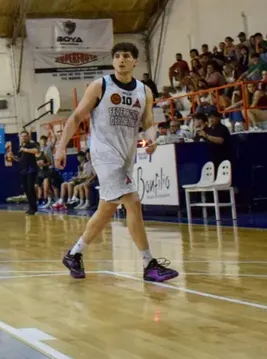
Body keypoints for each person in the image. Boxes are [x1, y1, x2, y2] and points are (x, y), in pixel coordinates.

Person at [55, 42, 180, 282]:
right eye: (117, 56)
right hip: (104, 154)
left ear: (135, 62)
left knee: (107, 209)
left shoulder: (144, 91)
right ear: (113, 61)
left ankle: (74, 254)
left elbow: (148, 122)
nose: (121, 60)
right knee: (133, 201)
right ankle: (149, 264)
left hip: (126, 156)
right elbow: (77, 117)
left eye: (127, 56)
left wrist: (151, 139)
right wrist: (61, 147)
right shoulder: (100, 85)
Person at [17, 131, 40, 214]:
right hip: (24, 170)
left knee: (30, 188)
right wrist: (12, 156)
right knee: (26, 189)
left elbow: (36, 151)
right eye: (22, 136)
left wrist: (25, 149)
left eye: (25, 136)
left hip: (31, 169)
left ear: (28, 136)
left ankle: (34, 207)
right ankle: (32, 207)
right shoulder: (21, 147)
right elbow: (19, 159)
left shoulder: (31, 144)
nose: (23, 137)